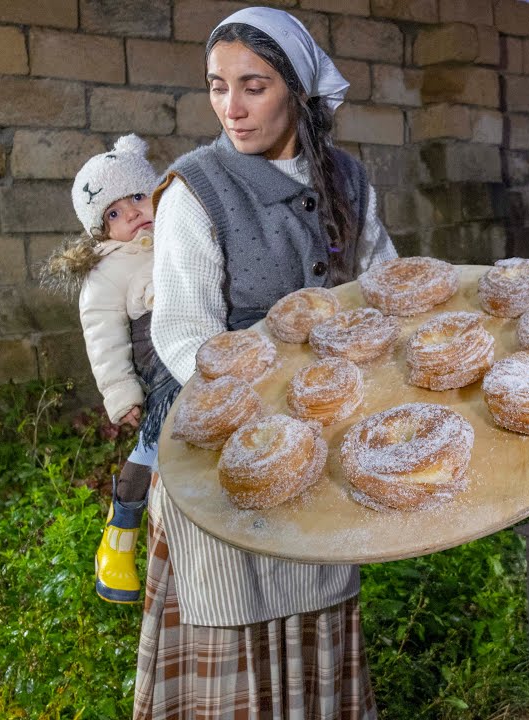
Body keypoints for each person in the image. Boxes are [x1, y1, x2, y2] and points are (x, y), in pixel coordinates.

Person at [140, 7, 396, 718]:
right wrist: (272, 402)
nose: (232, 107)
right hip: (228, 442)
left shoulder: (347, 180)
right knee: (236, 605)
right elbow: (184, 337)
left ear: (297, 90)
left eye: (252, 86)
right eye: (217, 86)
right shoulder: (196, 189)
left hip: (322, 424)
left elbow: (381, 292)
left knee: (316, 588)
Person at [41, 134, 179, 605]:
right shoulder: (108, 270)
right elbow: (103, 335)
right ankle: (120, 533)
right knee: (158, 434)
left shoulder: (182, 232)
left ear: (158, 192)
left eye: (138, 197)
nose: (133, 214)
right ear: (100, 231)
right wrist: (121, 394)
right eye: (114, 214)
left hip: (198, 339)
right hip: (154, 350)